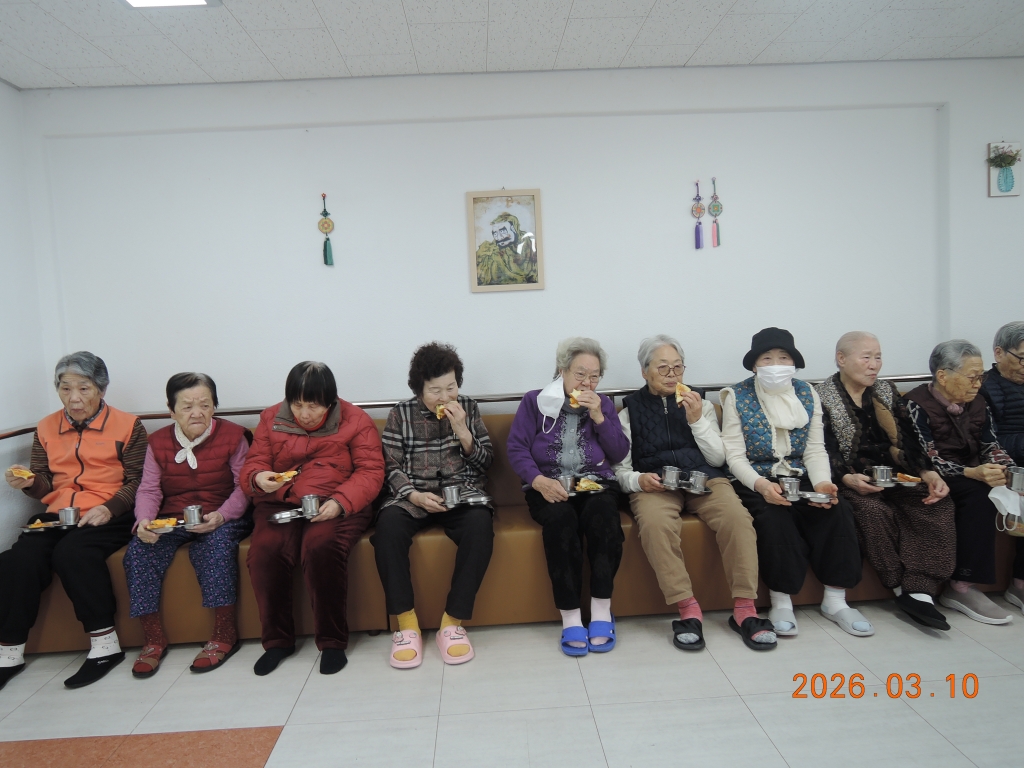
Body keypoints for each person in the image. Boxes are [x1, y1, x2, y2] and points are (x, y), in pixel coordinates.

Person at [613, 335, 775, 651]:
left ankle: (745, 610)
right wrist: (638, 480)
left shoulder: (701, 403)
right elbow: (621, 470)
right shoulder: (628, 412)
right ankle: (688, 609)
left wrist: (697, 420)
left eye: (678, 367)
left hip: (705, 478)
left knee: (738, 519)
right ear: (645, 371)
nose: (672, 374)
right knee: (656, 525)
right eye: (663, 367)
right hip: (656, 483)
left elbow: (717, 459)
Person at [1, 352, 147, 690]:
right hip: (59, 514)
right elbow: (43, 482)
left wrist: (110, 508)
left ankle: (105, 645)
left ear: (102, 389)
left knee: (73, 554)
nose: (74, 398)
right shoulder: (45, 427)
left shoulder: (129, 426)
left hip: (110, 512)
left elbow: (139, 480)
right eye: (65, 389)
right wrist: (28, 483)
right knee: (18, 559)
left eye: (84, 388)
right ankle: (9, 651)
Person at [721, 328, 870, 638]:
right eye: (767, 359)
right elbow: (734, 456)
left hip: (800, 475)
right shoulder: (737, 395)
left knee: (837, 510)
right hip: (756, 479)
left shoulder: (807, 393)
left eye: (784, 358)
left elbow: (814, 449)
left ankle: (836, 601)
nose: (776, 365)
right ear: (754, 365)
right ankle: (781, 601)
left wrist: (823, 484)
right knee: (774, 517)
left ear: (794, 363)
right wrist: (762, 485)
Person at [242, 362, 384, 676]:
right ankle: (277, 642)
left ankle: (332, 643)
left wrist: (340, 502)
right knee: (265, 551)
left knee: (321, 547)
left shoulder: (356, 419)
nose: (304, 414)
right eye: (297, 405)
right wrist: (258, 478)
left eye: (313, 406)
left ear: (330, 402)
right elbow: (254, 464)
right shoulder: (270, 418)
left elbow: (371, 471)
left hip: (337, 502)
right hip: (281, 501)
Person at [818, 333, 956, 630]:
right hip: (851, 477)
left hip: (896, 474)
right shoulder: (821, 397)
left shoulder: (886, 391)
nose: (874, 365)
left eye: (878, 357)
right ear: (841, 359)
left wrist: (928, 472)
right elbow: (821, 449)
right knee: (870, 511)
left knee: (934, 502)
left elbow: (909, 437)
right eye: (866, 357)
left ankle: (920, 590)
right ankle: (898, 586)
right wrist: (845, 477)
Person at [123, 373, 253, 678]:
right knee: (139, 552)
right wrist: (144, 521)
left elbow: (243, 487)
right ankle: (153, 639)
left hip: (223, 515)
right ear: (171, 411)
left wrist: (221, 516)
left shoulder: (234, 436)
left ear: (214, 406)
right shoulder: (157, 442)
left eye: (205, 405)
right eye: (187, 406)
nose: (197, 413)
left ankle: (224, 634)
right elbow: (149, 489)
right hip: (173, 517)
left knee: (215, 549)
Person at [373, 343, 494, 668]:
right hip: (413, 495)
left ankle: (452, 623)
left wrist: (463, 430)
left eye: (451, 387)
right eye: (435, 390)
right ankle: (406, 625)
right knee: (387, 529)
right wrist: (412, 495)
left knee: (481, 525)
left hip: (461, 493)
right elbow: (390, 466)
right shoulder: (400, 413)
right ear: (419, 388)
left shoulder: (468, 407)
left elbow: (486, 462)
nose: (445, 397)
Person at [507, 337, 629, 656]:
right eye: (580, 374)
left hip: (593, 481)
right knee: (560, 522)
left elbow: (619, 452)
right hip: (547, 483)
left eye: (594, 376)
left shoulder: (603, 404)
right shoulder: (534, 402)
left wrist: (600, 417)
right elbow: (517, 448)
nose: (587, 383)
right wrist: (537, 481)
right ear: (562, 371)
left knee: (604, 518)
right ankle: (571, 616)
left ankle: (601, 610)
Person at [906, 340, 1015, 624]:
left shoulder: (978, 402)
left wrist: (1009, 470)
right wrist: (973, 473)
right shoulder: (916, 404)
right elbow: (926, 458)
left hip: (972, 472)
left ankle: (1020, 582)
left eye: (981, 377)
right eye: (972, 377)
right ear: (943, 376)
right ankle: (962, 586)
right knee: (979, 494)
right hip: (933, 477)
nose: (978, 384)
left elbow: (991, 445)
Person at [979, 321, 1024, 615]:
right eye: (1022, 358)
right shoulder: (984, 387)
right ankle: (1020, 584)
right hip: (1006, 464)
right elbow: (987, 440)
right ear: (998, 353)